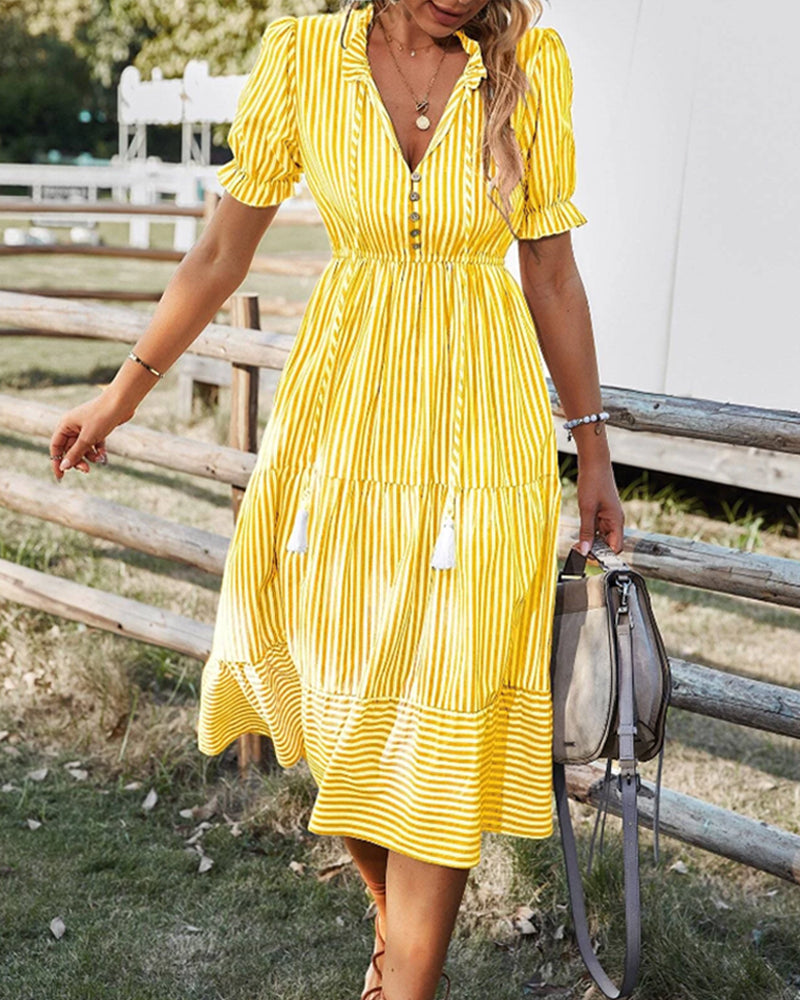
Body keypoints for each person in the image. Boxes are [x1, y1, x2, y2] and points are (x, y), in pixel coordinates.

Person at [49, 1, 625, 997]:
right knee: (338, 707)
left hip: (476, 442)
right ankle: (391, 935)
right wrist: (120, 393)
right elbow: (217, 255)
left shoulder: (528, 63)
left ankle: (402, 983)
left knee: (440, 706)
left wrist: (593, 450)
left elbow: (550, 270)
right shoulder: (303, 57)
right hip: (339, 432)